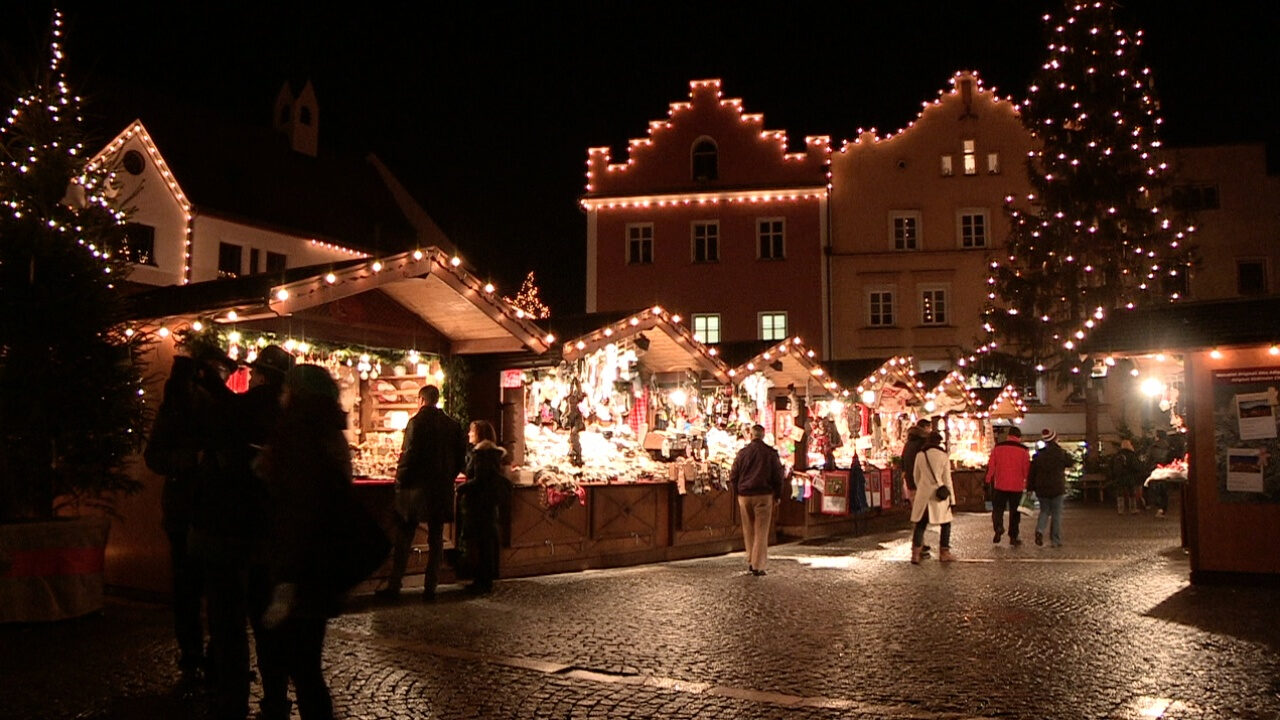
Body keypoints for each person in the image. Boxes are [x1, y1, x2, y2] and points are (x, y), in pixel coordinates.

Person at [190, 343, 292, 720]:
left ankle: (233, 699)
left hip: (225, 531)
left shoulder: (235, 409)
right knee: (269, 624)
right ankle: (276, 699)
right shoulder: (288, 419)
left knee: (228, 623)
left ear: (259, 375)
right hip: (267, 535)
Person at [255, 365, 349, 720]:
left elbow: (297, 509)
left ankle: (280, 708)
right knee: (306, 664)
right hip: (323, 562)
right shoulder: (330, 433)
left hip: (298, 567)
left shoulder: (297, 435)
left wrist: (286, 579)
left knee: (299, 664)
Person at [379, 385, 466, 601]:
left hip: (415, 489)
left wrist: (400, 481)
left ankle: (395, 584)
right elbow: (460, 459)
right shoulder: (452, 425)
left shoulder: (416, 423)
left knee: (405, 536)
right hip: (441, 489)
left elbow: (408, 456)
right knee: (436, 539)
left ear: (421, 400)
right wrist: (447, 476)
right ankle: (431, 587)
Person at [457, 420, 511, 595]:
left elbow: (480, 480)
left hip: (480, 504)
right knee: (484, 542)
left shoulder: (483, 454)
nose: (469, 434)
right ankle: (482, 578)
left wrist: (462, 488)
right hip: (485, 504)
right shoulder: (485, 453)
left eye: (472, 431)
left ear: (479, 434)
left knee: (483, 542)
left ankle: (483, 580)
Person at [729, 424, 785, 576]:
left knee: (748, 529)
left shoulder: (742, 453)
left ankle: (750, 559)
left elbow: (733, 475)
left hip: (744, 495)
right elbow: (778, 476)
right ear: (763, 435)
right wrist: (778, 495)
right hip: (763, 495)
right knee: (761, 530)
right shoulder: (770, 453)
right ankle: (758, 565)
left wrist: (738, 492)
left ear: (751, 435)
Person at [910, 432, 955, 564]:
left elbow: (916, 476)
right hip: (938, 495)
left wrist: (922, 487)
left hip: (923, 495)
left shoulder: (920, 455)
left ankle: (915, 554)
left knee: (920, 524)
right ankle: (944, 552)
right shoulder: (943, 456)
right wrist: (952, 499)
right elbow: (947, 479)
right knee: (946, 523)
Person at [985, 426, 1031, 546]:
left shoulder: (998, 448)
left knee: (998, 509)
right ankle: (1013, 536)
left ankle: (998, 527)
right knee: (1015, 512)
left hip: (1000, 485)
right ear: (1019, 437)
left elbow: (991, 466)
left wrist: (988, 479)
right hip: (1017, 486)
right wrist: (1028, 484)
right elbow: (1026, 470)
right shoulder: (1023, 450)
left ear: (1008, 436)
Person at [1028, 428, 1072, 548]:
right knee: (1056, 514)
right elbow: (1070, 462)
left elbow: (1032, 473)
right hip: (1057, 487)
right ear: (1055, 438)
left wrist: (1030, 488)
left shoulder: (1038, 455)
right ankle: (1055, 540)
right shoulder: (1060, 453)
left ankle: (1040, 530)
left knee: (1044, 511)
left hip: (1042, 488)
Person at [899, 418, 932, 555]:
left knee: (918, 512)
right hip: (921, 483)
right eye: (929, 428)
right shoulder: (922, 444)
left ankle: (920, 543)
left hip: (911, 482)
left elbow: (902, 462)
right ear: (925, 428)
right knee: (922, 515)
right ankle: (918, 545)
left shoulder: (908, 444)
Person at [1110, 438, 1143, 515]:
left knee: (1120, 493)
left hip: (1119, 477)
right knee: (1131, 493)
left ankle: (1120, 510)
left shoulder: (1117, 455)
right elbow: (1136, 466)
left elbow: (1111, 466)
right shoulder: (1131, 455)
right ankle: (1133, 509)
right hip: (1130, 476)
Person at [1146, 430, 1174, 517]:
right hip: (1166, 470)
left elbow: (1148, 459)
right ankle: (1163, 509)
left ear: (1157, 437)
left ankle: (1159, 508)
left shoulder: (1153, 447)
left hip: (1155, 470)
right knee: (1164, 490)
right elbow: (1171, 459)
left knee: (1156, 490)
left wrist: (1148, 468)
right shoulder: (1169, 447)